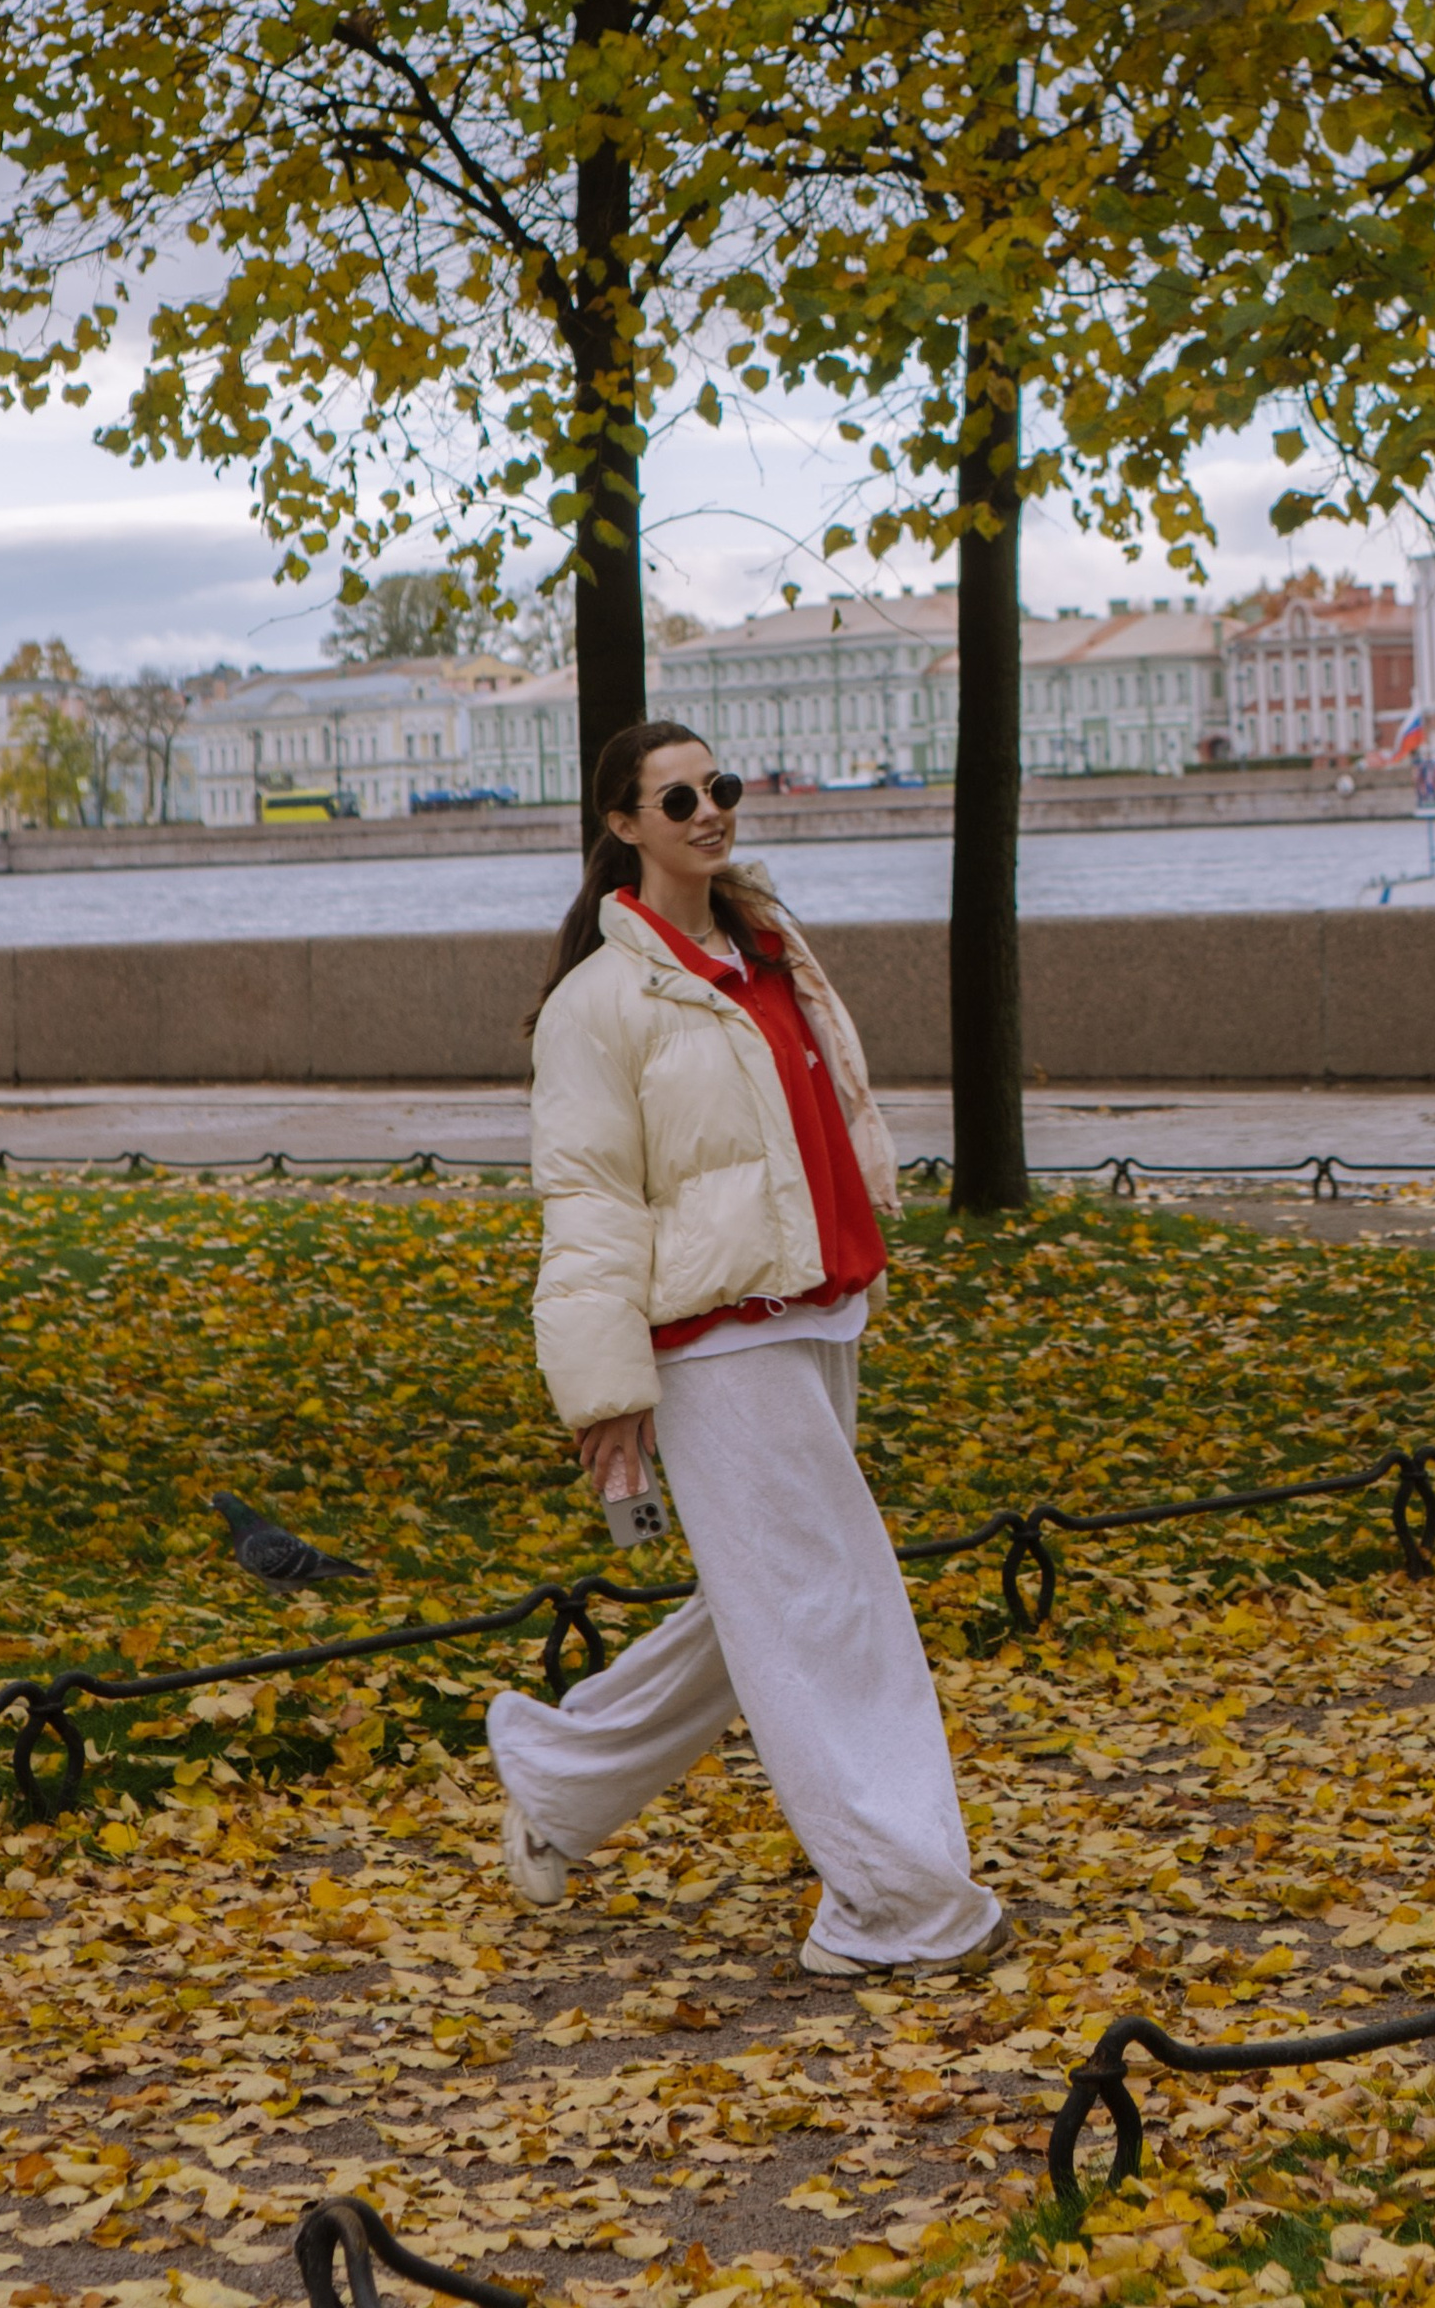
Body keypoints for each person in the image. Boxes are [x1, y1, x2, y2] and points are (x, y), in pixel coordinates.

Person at [485, 716, 1006, 1982]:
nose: (710, 812)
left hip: (820, 1305)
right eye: (678, 801)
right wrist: (605, 1398)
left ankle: (557, 1778)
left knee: (763, 1605)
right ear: (623, 826)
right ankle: (895, 1901)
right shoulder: (597, 1005)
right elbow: (592, 1209)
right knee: (826, 1604)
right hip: (714, 1344)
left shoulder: (766, 947)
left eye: (720, 788)